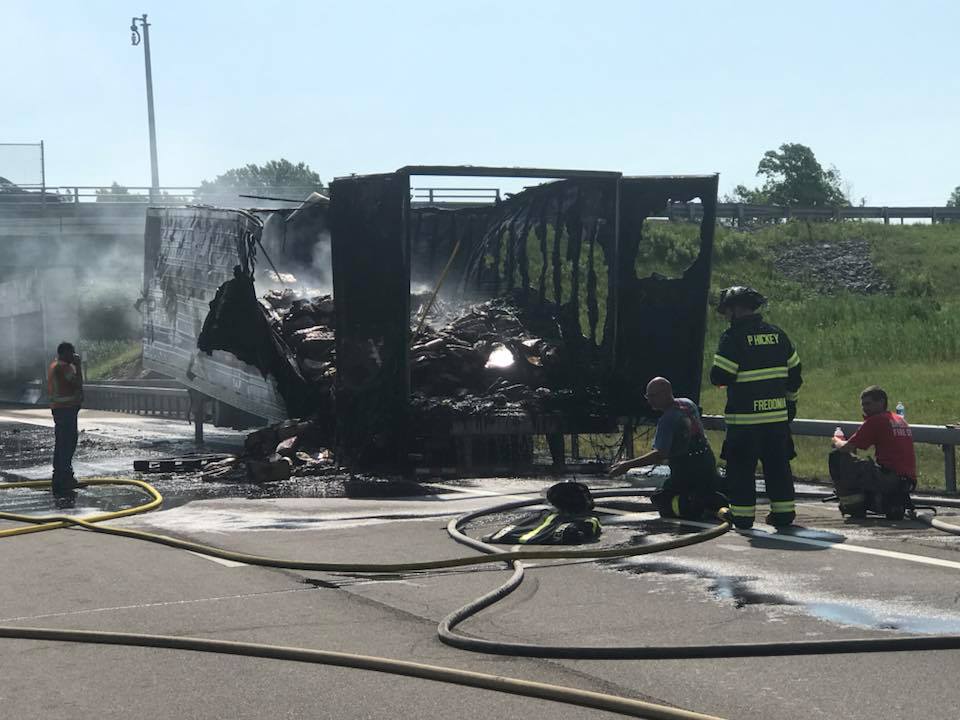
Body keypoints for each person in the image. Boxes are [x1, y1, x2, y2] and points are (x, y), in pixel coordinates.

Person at [709, 286, 802, 529]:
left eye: (726, 311)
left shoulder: (732, 338)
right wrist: (790, 403)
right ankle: (783, 514)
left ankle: (742, 516)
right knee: (778, 467)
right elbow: (795, 375)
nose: (726, 317)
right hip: (776, 420)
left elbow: (720, 376)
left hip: (745, 422)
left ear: (735, 309)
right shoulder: (778, 335)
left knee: (741, 469)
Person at [609, 377, 725, 520]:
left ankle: (697, 504)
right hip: (707, 462)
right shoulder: (688, 404)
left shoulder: (668, 419)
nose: (649, 400)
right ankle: (709, 498)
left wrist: (627, 465)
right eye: (648, 396)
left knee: (662, 501)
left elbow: (659, 455)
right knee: (707, 487)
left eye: (653, 396)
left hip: (687, 470)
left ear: (665, 394)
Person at [829, 385, 916, 520]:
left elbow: (847, 447)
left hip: (889, 478)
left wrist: (836, 440)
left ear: (881, 402)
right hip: (907, 480)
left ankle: (853, 505)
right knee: (864, 465)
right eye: (863, 405)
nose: (865, 408)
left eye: (868, 404)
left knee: (838, 457)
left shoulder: (876, 420)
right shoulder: (899, 419)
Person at [47, 341, 83, 503]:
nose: (73, 356)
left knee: (61, 443)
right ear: (63, 353)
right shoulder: (64, 367)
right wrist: (78, 367)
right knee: (68, 443)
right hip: (66, 409)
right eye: (71, 352)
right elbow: (77, 383)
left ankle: (59, 477)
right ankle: (65, 478)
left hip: (60, 409)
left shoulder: (54, 366)